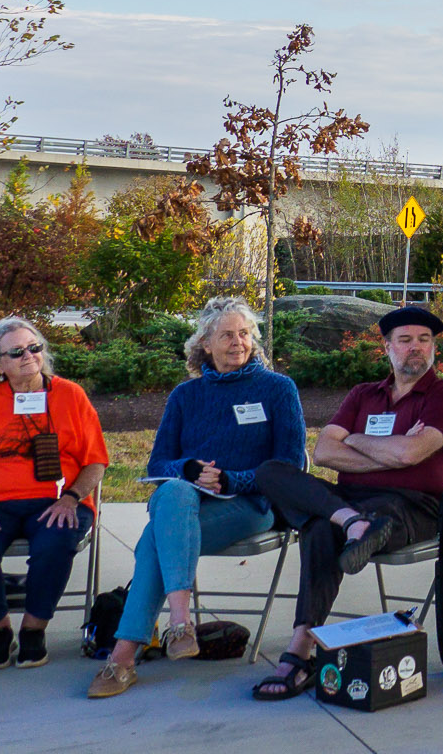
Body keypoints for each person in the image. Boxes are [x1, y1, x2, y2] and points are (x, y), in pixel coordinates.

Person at [247, 305, 443, 702]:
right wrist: (391, 448)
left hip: (414, 505)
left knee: (320, 525)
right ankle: (353, 525)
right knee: (271, 472)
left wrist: (354, 439)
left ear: (434, 348)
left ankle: (300, 650)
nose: (415, 348)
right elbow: (324, 452)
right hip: (349, 500)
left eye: (424, 340)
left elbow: (409, 456)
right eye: (405, 340)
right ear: (387, 348)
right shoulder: (363, 394)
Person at [87, 298, 304, 700]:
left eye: (244, 334)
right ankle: (178, 624)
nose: (238, 343)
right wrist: (188, 469)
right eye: (227, 335)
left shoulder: (277, 389)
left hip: (251, 505)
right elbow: (158, 463)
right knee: (174, 491)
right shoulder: (185, 396)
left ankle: (124, 656)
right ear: (205, 343)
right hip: (186, 504)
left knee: (155, 542)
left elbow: (290, 465)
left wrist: (230, 479)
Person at [0, 316, 108, 671]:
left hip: (58, 500)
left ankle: (34, 629)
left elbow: (96, 462)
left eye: (34, 348)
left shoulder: (71, 395)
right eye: (17, 352)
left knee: (56, 538)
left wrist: (72, 497)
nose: (29, 356)